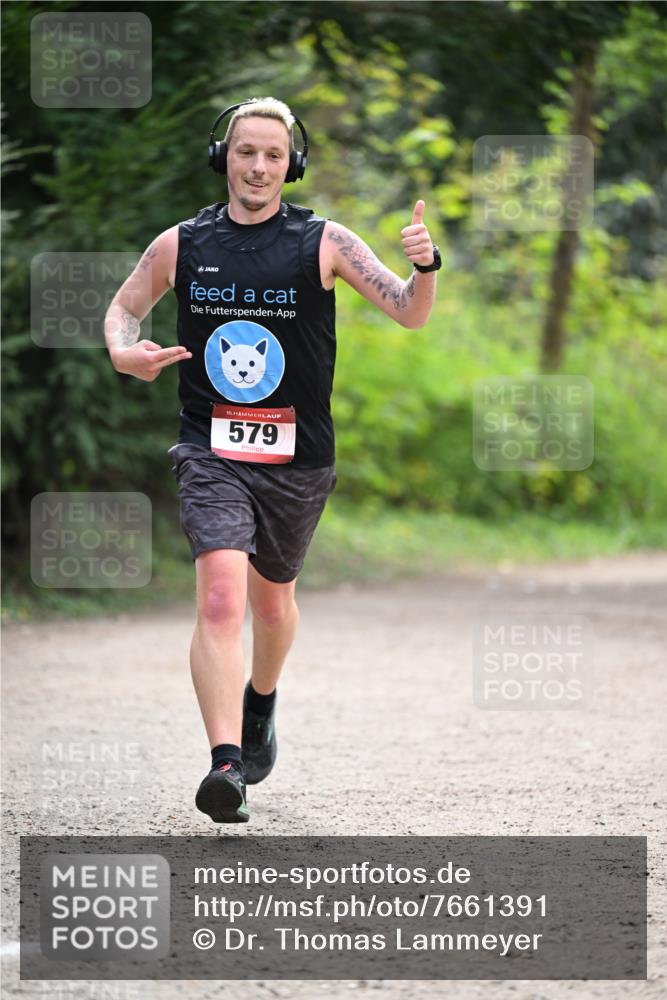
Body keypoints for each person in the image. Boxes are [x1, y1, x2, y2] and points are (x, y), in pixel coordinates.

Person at [104, 96, 440, 824]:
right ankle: (226, 764)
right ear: (222, 156)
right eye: (245, 151)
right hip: (209, 445)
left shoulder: (325, 242)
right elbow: (124, 307)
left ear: (293, 164)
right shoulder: (182, 244)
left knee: (272, 601)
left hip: (297, 459)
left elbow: (410, 310)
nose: (257, 166)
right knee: (222, 596)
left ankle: (261, 702)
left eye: (273, 154)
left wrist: (426, 265)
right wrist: (122, 351)